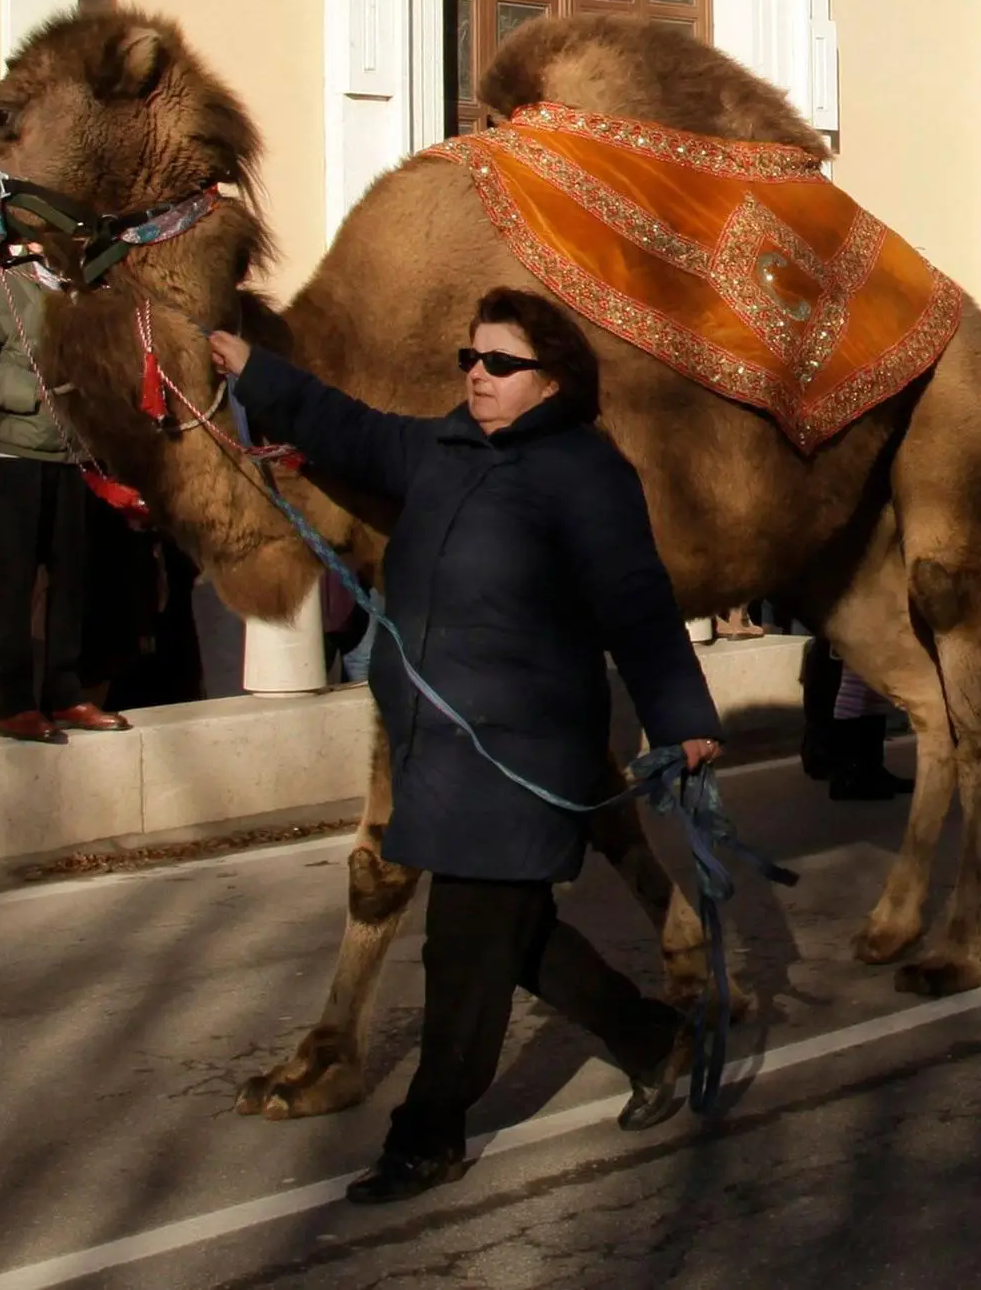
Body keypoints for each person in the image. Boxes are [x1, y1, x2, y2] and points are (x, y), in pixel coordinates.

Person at [204, 291, 720, 1199]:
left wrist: (683, 718)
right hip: (438, 752)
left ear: (552, 380)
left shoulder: (585, 473)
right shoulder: (440, 448)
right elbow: (343, 425)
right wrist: (256, 373)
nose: (477, 376)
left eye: (500, 364)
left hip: (525, 753)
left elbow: (637, 602)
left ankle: (427, 1134)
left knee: (461, 947)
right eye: (470, 360)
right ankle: (654, 1038)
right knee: (513, 940)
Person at [0, 258, 121, 740]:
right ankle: (14, 704)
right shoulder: (1, 288)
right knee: (14, 588)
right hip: (14, 455)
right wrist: (29, 392)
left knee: (72, 583)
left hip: (76, 455)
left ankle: (64, 694)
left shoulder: (91, 290)